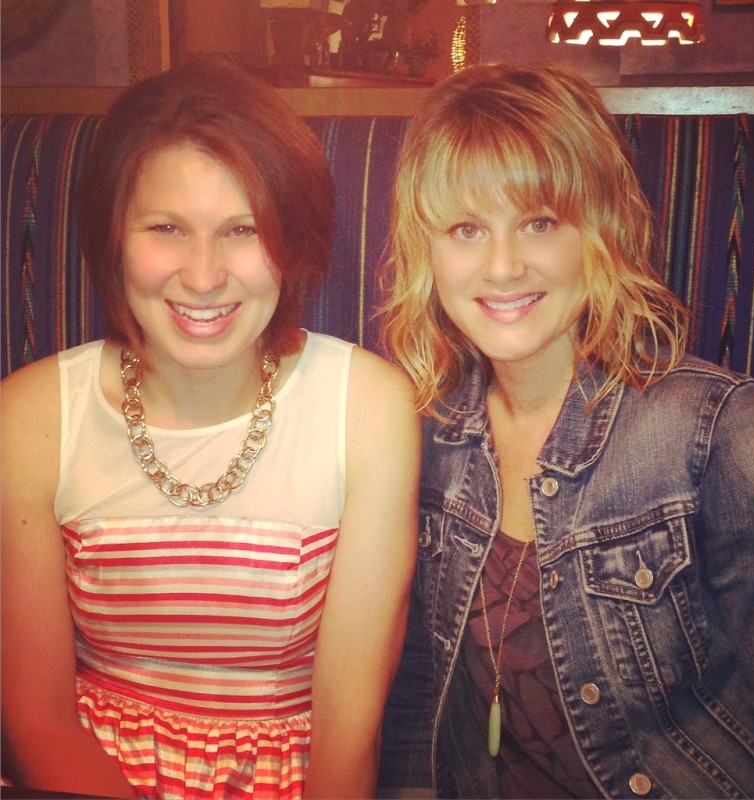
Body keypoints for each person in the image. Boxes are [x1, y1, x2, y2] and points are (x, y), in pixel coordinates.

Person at [377, 62, 754, 799]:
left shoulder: (716, 428)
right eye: (467, 228)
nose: (503, 266)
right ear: (430, 253)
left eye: (539, 222)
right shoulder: (422, 433)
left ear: (597, 231)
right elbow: (417, 696)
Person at [1, 57, 420, 800]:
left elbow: (350, 730)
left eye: (242, 231)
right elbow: (38, 724)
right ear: (111, 239)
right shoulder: (29, 417)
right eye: (166, 228)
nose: (202, 276)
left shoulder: (369, 409)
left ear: (293, 245)